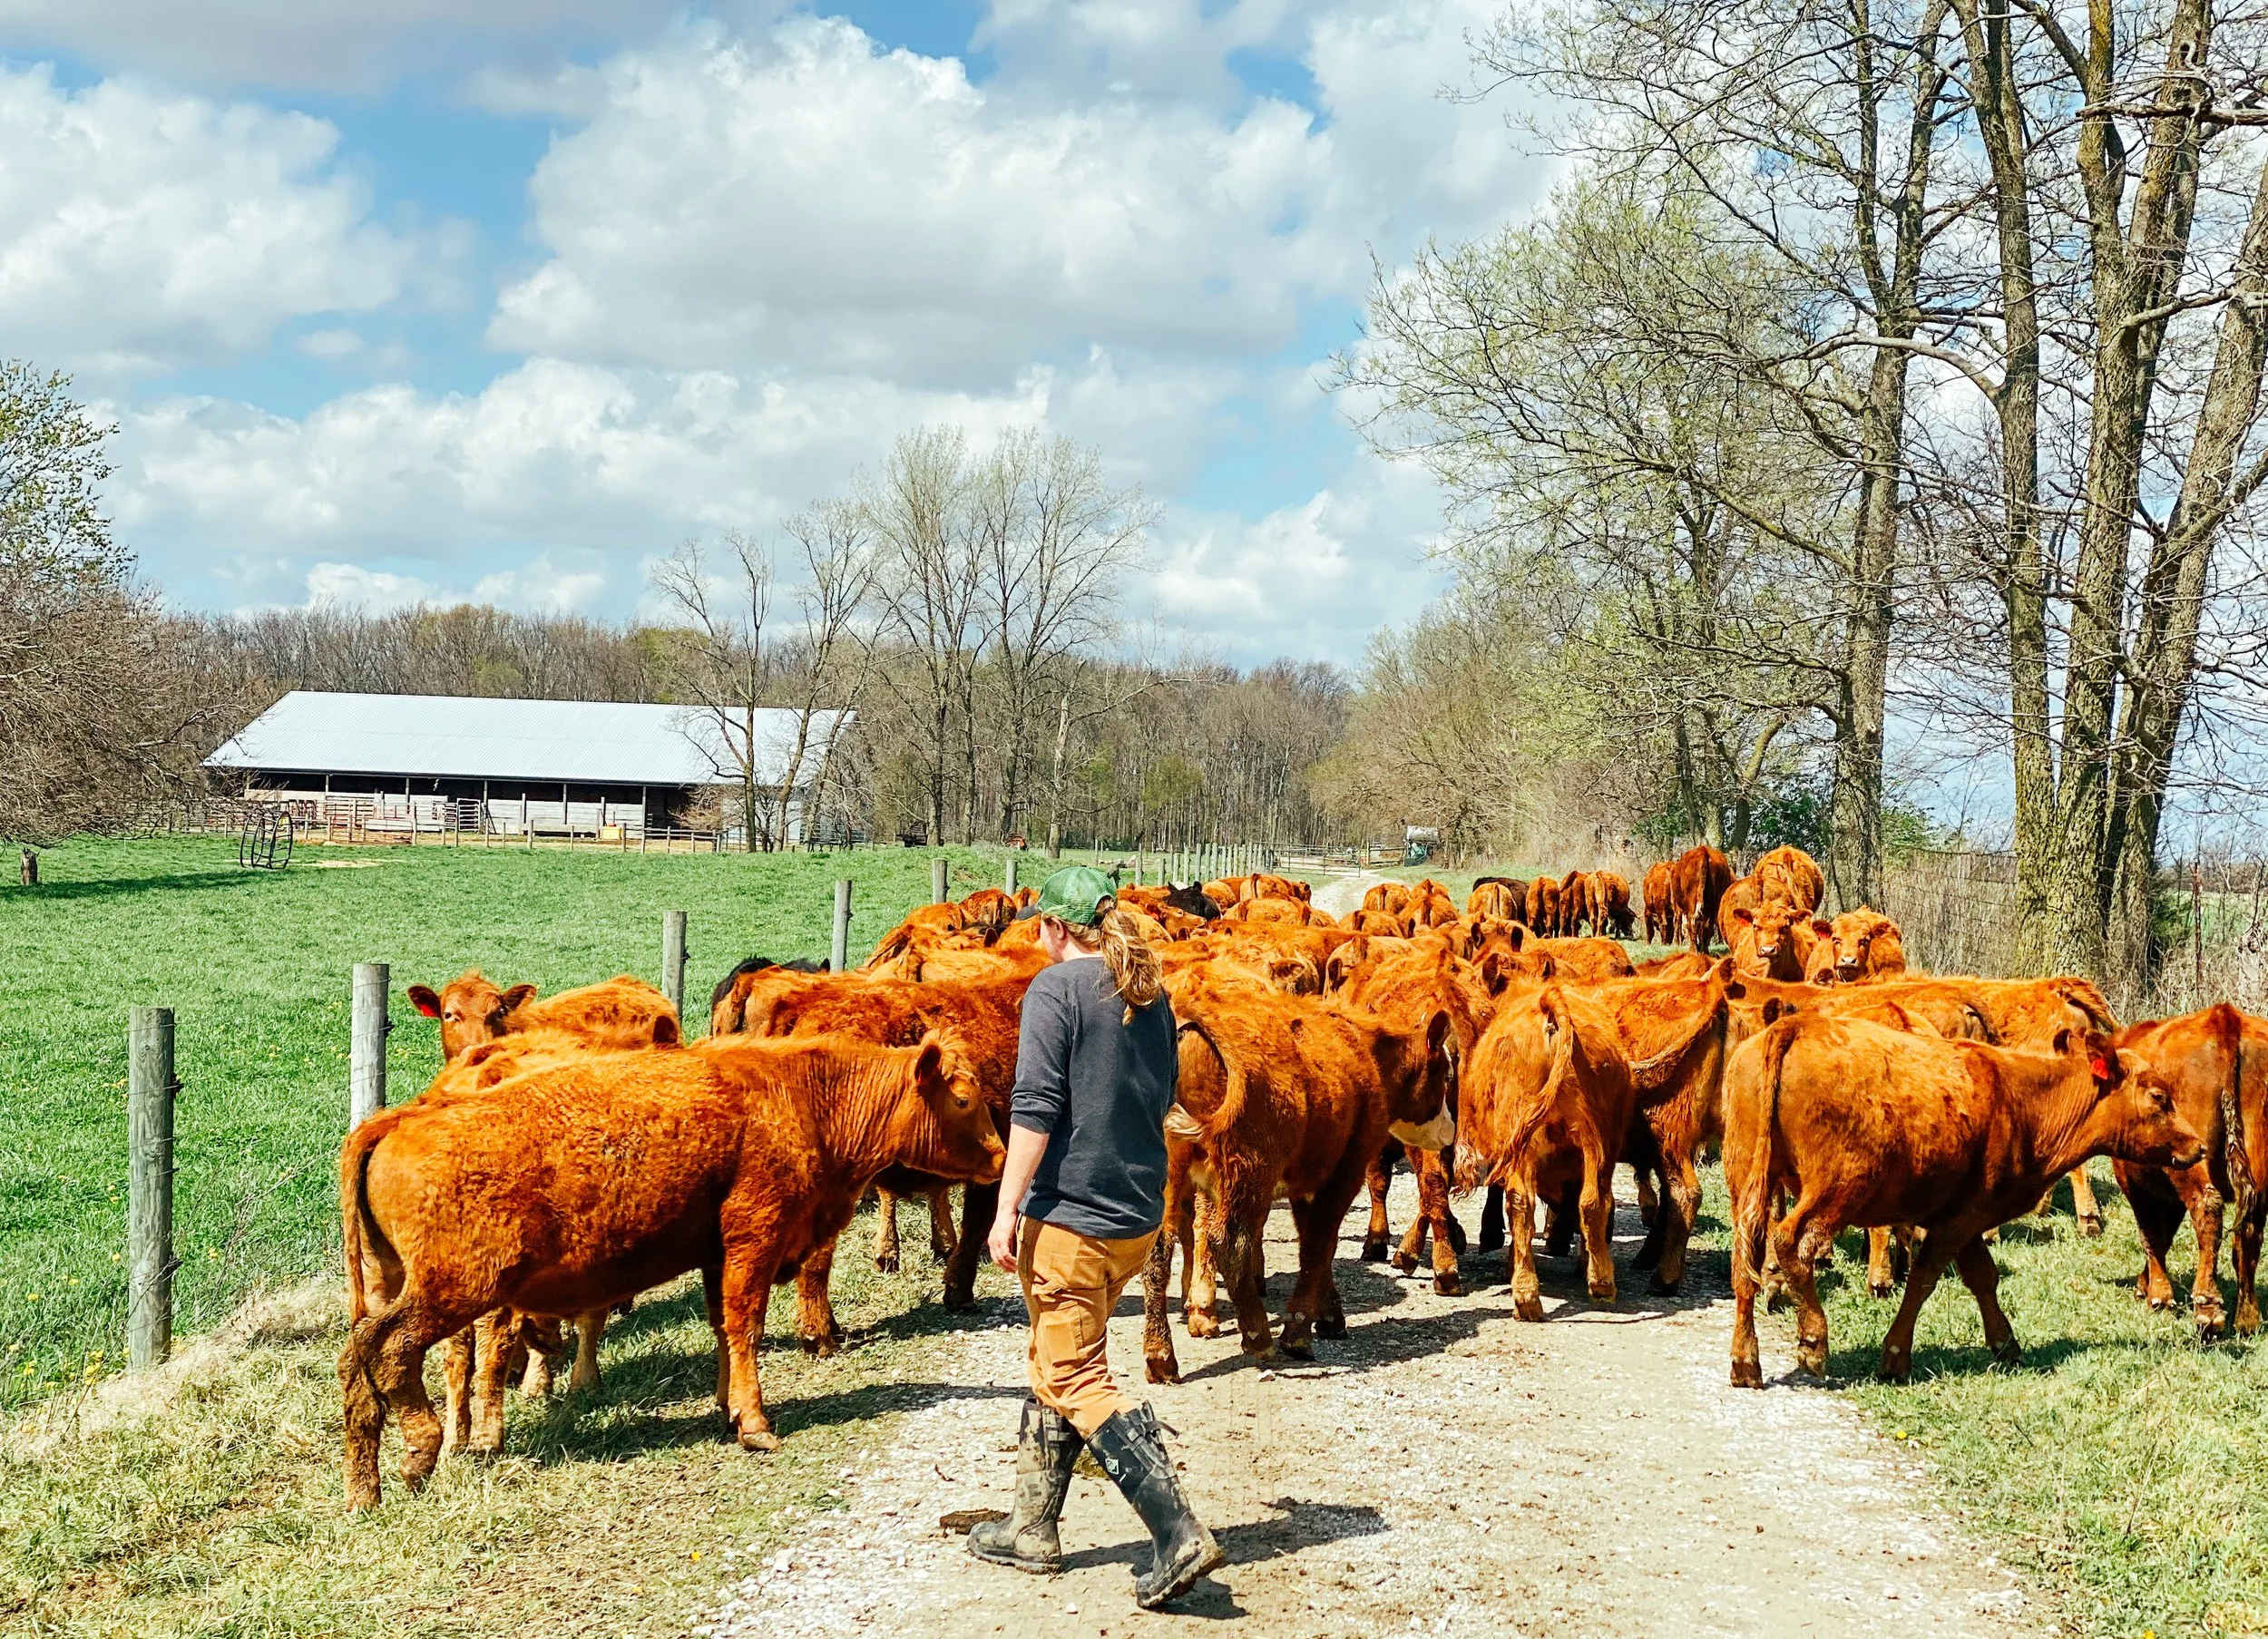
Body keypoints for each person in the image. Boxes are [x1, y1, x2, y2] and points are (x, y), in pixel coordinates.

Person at [966, 865, 1224, 1609]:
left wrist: (1006, 1205)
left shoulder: (1054, 991)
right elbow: (1163, 1097)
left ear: (1053, 927)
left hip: (1071, 1219)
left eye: (1041, 925)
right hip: (1135, 1218)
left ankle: (1177, 1532)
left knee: (1077, 1374)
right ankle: (1031, 1527)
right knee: (1058, 1353)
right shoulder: (1149, 993)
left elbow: (1036, 1107)